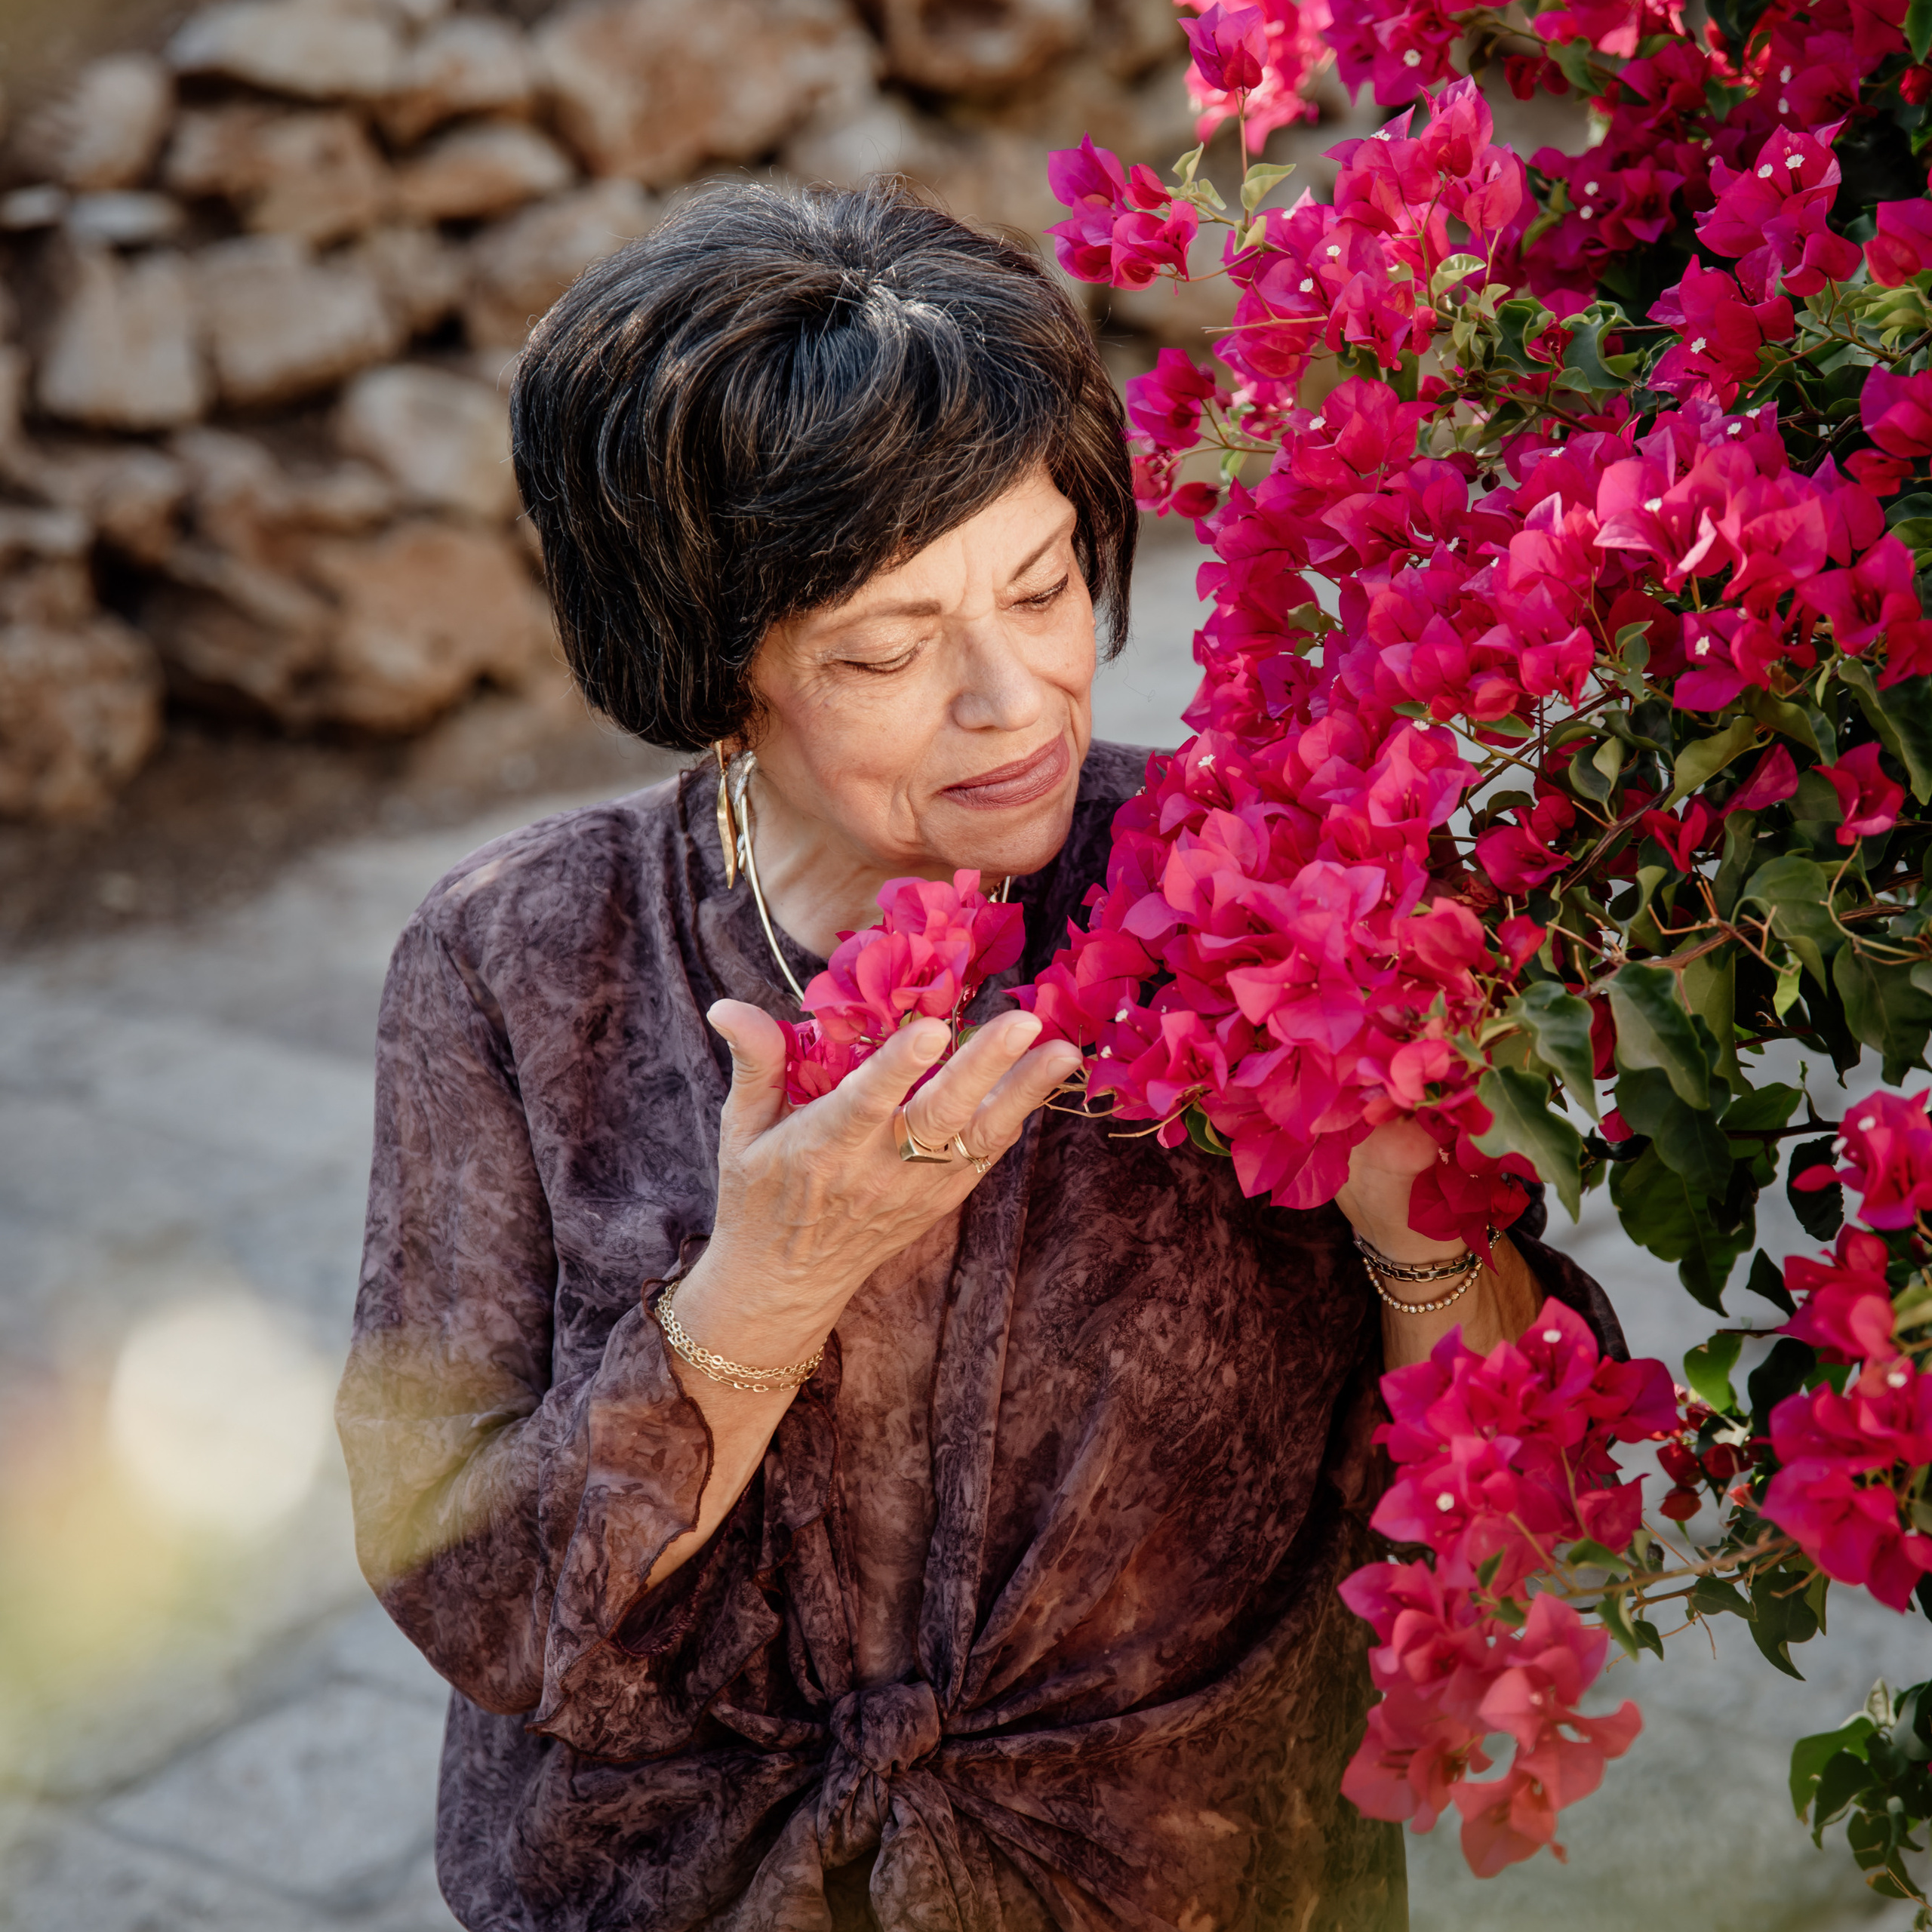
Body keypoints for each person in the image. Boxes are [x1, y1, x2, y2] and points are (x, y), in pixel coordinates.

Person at [337, 179, 1620, 1932]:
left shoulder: (1261, 893)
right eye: (883, 647)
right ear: (711, 669)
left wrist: (1417, 1204)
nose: (1015, 697)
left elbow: (1502, 1535)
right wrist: (758, 1296)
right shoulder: (514, 960)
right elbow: (468, 1590)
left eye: (1040, 587)